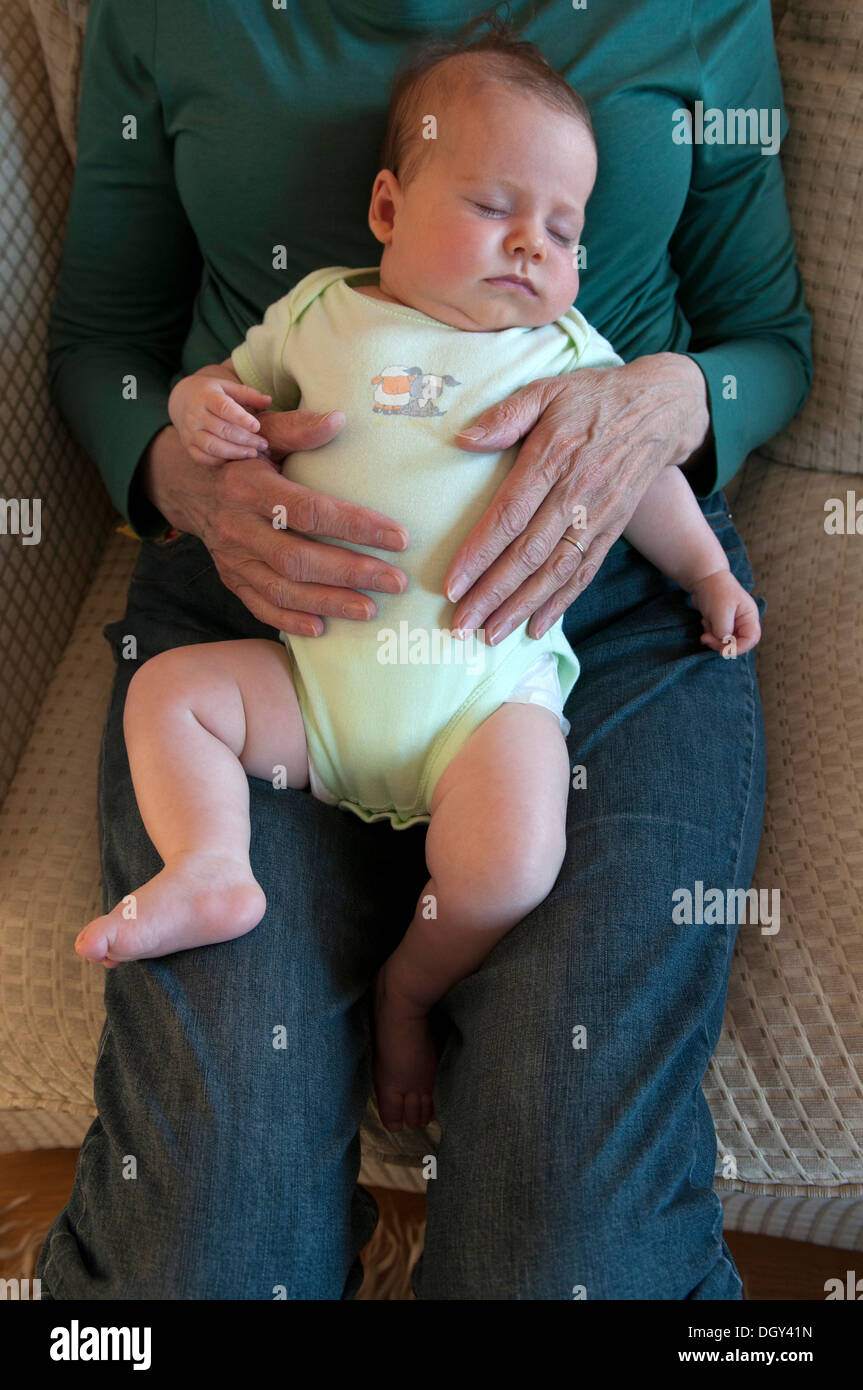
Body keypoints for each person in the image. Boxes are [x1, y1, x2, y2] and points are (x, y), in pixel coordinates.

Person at [38, 0, 811, 1300]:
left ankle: (415, 988)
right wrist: (183, 460)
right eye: (500, 208)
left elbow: (766, 339)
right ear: (390, 206)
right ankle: (212, 865)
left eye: (559, 225)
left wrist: (670, 412)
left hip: (581, 617)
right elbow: (104, 344)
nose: (532, 245)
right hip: (265, 603)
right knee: (202, 1260)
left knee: (571, 1255)